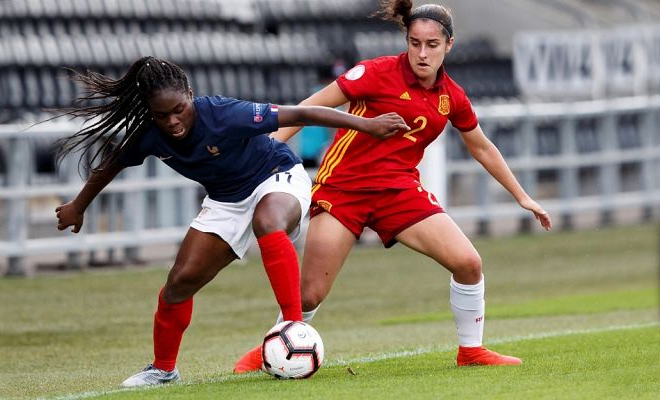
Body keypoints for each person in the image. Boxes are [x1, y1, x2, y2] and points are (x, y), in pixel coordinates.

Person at [234, 0, 553, 373]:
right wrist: (266, 155)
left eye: (432, 44)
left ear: (449, 45)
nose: (421, 52)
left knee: (468, 263)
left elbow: (481, 146)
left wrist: (523, 196)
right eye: (414, 42)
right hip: (344, 189)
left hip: (399, 192)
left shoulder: (453, 97)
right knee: (309, 295)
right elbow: (308, 108)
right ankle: (269, 351)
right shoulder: (375, 72)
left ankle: (471, 351)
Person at [54, 56, 409, 387]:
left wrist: (367, 125)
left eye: (179, 109)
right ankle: (163, 370)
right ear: (151, 113)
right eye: (163, 115)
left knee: (268, 220)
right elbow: (112, 162)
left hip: (276, 175)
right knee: (180, 282)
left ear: (190, 96)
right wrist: (78, 205)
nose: (173, 121)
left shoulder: (223, 114)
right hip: (226, 200)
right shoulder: (149, 134)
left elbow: (303, 114)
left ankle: (293, 327)